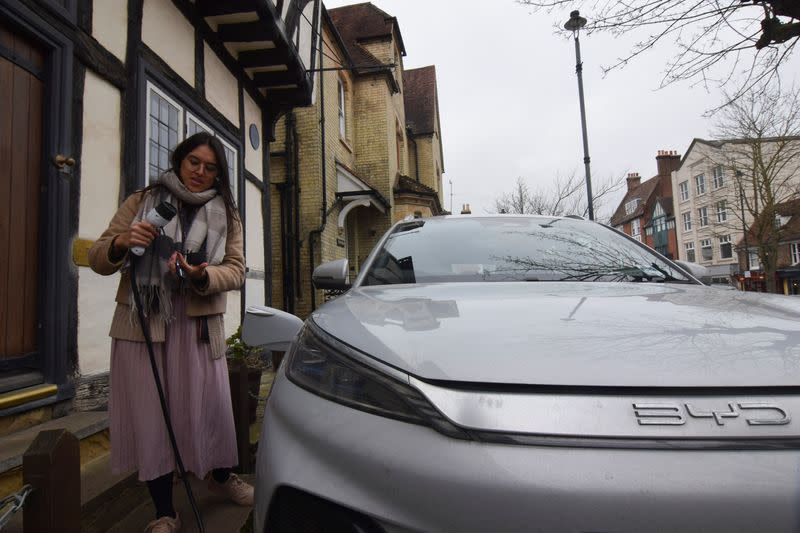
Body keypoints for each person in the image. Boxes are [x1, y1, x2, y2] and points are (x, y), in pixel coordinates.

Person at [89, 132, 253, 533]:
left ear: (219, 174)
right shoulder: (141, 200)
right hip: (143, 324)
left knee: (209, 405)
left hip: (197, 324)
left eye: (210, 167)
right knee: (151, 414)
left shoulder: (226, 213)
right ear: (180, 159)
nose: (200, 172)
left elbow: (237, 269)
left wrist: (202, 274)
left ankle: (218, 478)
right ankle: (165, 511)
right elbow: (97, 257)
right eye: (193, 161)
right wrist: (123, 242)